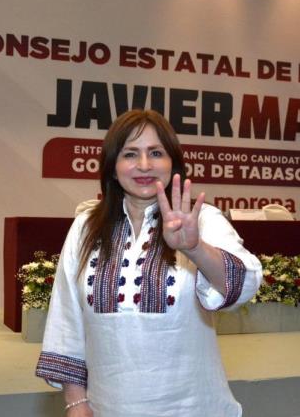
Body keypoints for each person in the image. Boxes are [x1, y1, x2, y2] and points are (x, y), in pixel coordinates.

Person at [35, 109, 262, 416]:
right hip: (107, 408)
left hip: (193, 407)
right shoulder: (86, 226)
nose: (144, 165)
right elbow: (67, 319)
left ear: (173, 163)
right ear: (113, 167)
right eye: (130, 153)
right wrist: (77, 403)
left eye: (156, 153)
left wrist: (194, 248)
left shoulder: (203, 220)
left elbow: (244, 284)